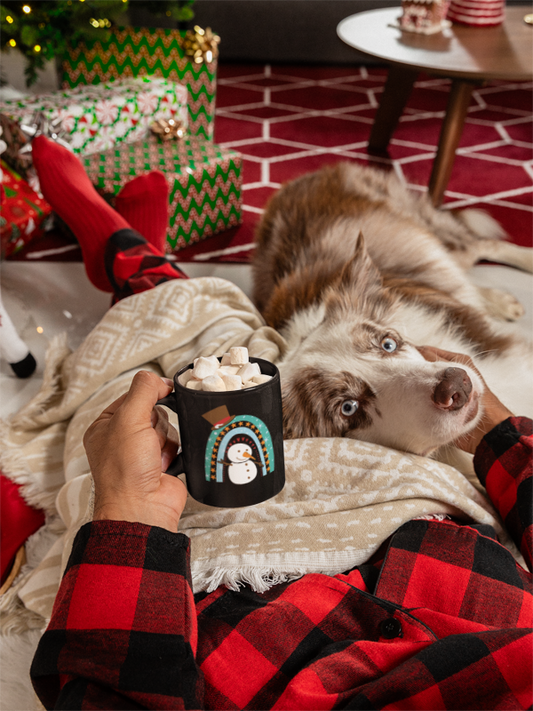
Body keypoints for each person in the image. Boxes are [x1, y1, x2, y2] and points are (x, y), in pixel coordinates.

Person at [28, 137, 533, 710]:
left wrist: (127, 513)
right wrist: (498, 431)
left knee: (173, 369)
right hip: (435, 518)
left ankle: (125, 247)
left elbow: (103, 692)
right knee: (221, 359)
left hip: (220, 577)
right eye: (350, 403)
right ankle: (130, 248)